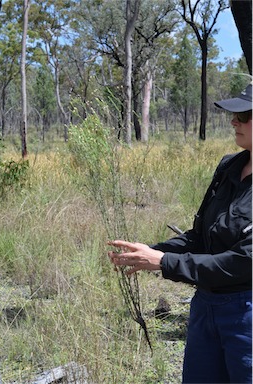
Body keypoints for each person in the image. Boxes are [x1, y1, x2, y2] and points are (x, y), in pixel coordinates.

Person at [108, 83, 252, 384]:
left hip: (246, 315)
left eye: (245, 115)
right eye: (234, 114)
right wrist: (149, 251)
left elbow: (240, 262)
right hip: (205, 308)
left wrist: (162, 261)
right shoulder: (228, 167)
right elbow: (200, 236)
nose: (233, 121)